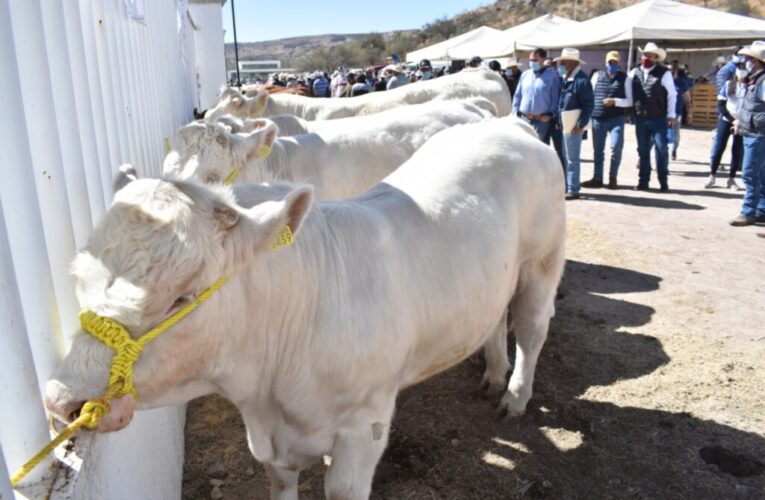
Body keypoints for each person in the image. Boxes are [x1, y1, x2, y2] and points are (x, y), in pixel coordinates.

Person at [619, 42, 677, 192]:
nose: (647, 58)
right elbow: (629, 96)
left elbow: (672, 94)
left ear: (656, 58)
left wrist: (671, 115)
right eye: (645, 55)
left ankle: (663, 181)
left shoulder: (664, 73)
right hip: (641, 117)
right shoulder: (633, 73)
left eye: (651, 55)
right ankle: (643, 182)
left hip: (659, 117)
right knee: (643, 151)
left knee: (661, 149)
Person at [730, 41, 765, 226]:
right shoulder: (756, 79)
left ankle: (748, 212)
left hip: (758, 133)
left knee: (750, 173)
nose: (746, 62)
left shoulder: (762, 80)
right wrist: (740, 121)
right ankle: (761, 209)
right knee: (760, 173)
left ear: (758, 61)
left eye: (750, 58)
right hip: (753, 130)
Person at [556, 48, 594, 200]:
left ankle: (573, 188)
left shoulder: (582, 80)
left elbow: (589, 105)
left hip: (573, 125)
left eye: (563, 62)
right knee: (568, 157)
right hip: (567, 123)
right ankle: (570, 186)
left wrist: (580, 124)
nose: (561, 64)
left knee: (572, 158)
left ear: (571, 63)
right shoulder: (570, 77)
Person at [588, 51, 628, 189]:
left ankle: (613, 177)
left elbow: (630, 101)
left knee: (616, 147)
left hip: (616, 118)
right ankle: (597, 178)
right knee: (598, 150)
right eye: (610, 62)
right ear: (605, 63)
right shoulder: (596, 76)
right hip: (598, 117)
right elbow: (590, 95)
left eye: (615, 63)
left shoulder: (625, 78)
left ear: (619, 64)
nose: (612, 65)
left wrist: (615, 101)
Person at [706, 57, 746, 190]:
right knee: (719, 147)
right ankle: (712, 175)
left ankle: (731, 179)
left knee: (737, 150)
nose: (742, 71)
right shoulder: (729, 84)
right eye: (740, 68)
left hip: (741, 122)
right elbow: (721, 105)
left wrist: (739, 121)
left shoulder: (750, 87)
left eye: (744, 68)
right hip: (726, 120)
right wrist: (731, 119)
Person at [512, 48, 561, 143]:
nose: (532, 62)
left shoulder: (552, 76)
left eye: (535, 60)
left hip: (540, 121)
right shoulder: (525, 75)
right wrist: (515, 112)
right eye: (530, 60)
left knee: (535, 147)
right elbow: (517, 95)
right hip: (523, 118)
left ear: (543, 60)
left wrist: (550, 115)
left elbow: (555, 98)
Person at [670, 64, 692, 160]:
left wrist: (689, 113)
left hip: (676, 112)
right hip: (663, 113)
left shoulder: (681, 83)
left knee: (675, 134)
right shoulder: (662, 82)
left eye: (673, 71)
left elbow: (687, 98)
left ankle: (674, 149)